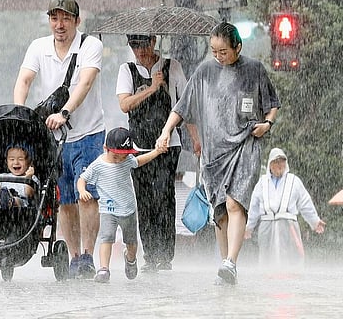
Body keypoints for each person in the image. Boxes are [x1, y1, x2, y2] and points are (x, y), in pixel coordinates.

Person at [156, 22, 281, 285]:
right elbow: (183, 106)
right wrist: (167, 130)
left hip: (245, 144)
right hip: (214, 151)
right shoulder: (205, 71)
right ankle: (226, 266)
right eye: (214, 50)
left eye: (223, 51)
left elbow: (272, 105)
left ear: (238, 47)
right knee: (221, 211)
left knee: (236, 203)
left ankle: (231, 261)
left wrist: (267, 124)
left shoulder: (254, 70)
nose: (218, 56)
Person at [13, 0, 104, 279]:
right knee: (64, 198)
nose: (60, 24)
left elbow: (86, 81)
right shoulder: (38, 47)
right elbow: (25, 80)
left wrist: (65, 112)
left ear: (77, 21)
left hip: (88, 132)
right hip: (54, 137)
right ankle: (74, 255)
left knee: (86, 196)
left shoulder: (91, 45)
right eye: (54, 18)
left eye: (66, 18)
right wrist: (19, 113)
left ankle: (88, 254)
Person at [115, 34, 186, 272]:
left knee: (163, 196)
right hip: (138, 147)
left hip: (167, 143)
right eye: (134, 45)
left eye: (144, 44)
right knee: (144, 200)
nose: (140, 50)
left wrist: (195, 139)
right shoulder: (127, 70)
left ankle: (165, 255)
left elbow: (184, 103)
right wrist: (152, 88)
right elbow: (125, 104)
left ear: (154, 42)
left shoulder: (171, 66)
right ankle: (150, 254)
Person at [77, 127, 165, 283]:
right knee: (106, 239)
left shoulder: (127, 160)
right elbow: (82, 178)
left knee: (131, 242)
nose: (120, 160)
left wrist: (157, 152)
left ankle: (130, 259)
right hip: (107, 209)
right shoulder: (98, 165)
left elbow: (140, 160)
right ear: (106, 149)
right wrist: (82, 190)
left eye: (124, 157)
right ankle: (104, 269)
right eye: (116, 156)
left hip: (128, 209)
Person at [245, 147, 326, 270]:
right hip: (267, 225)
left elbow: (305, 202)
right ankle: (267, 281)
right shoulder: (262, 182)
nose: (280, 165)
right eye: (276, 162)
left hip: (289, 225)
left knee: (291, 256)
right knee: (266, 258)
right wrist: (249, 227)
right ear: (270, 164)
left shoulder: (294, 181)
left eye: (282, 162)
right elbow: (254, 207)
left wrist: (315, 221)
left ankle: (292, 281)